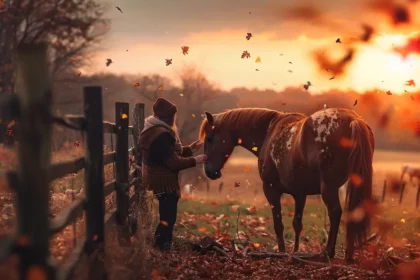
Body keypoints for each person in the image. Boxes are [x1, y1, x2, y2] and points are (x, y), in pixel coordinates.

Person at [139, 97, 207, 251]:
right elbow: (173, 162)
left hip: (158, 178)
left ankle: (164, 246)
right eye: (173, 116)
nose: (174, 119)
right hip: (163, 181)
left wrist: (190, 148)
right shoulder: (161, 135)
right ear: (168, 117)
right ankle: (161, 248)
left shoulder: (154, 129)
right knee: (167, 218)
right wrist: (194, 160)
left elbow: (168, 153)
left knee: (168, 216)